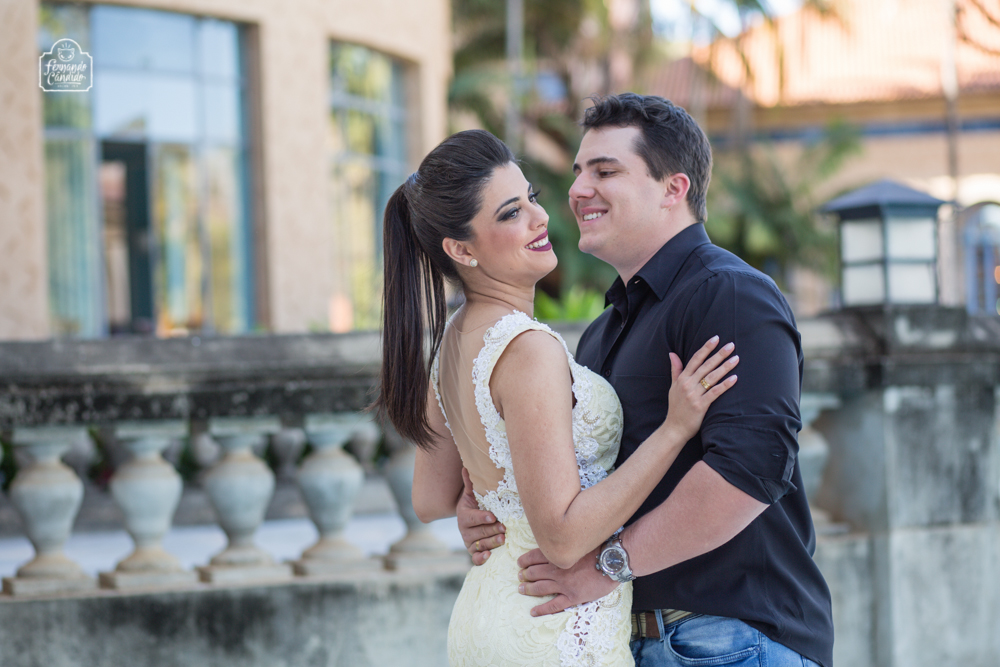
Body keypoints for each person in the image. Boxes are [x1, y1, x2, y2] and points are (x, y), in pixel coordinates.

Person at [458, 95, 835, 667]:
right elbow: (581, 484)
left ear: (673, 188)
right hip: (626, 639)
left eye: (605, 171)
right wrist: (487, 509)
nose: (578, 189)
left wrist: (610, 564)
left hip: (731, 640)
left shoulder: (730, 294)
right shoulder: (601, 332)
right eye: (579, 171)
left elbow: (750, 472)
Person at [377, 128, 739, 666]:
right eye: (510, 213)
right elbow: (565, 539)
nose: (540, 217)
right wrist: (674, 430)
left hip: (486, 613)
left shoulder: (451, 343)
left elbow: (429, 499)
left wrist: (486, 503)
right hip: (553, 625)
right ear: (460, 249)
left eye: (531, 199)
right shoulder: (528, 349)